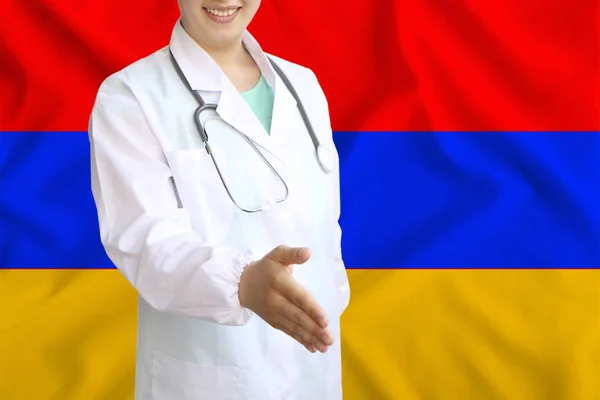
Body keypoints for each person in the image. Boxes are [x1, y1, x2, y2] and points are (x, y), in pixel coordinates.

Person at [88, 1, 350, 399]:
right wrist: (241, 282)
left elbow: (325, 229)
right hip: (209, 377)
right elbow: (143, 241)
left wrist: (325, 306)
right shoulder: (130, 97)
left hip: (313, 371)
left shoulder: (304, 87)